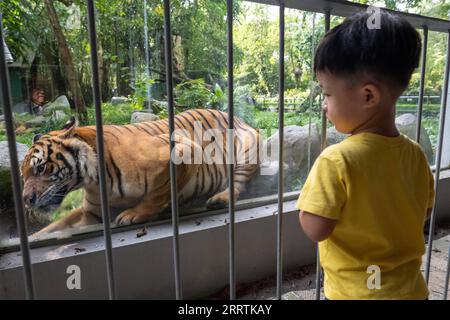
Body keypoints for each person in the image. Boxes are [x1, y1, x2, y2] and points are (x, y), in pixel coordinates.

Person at [296, 10, 434, 300]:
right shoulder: (417, 155)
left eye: (327, 94)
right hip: (411, 289)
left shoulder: (337, 159)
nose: (323, 105)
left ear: (368, 96)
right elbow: (424, 211)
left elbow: (316, 228)